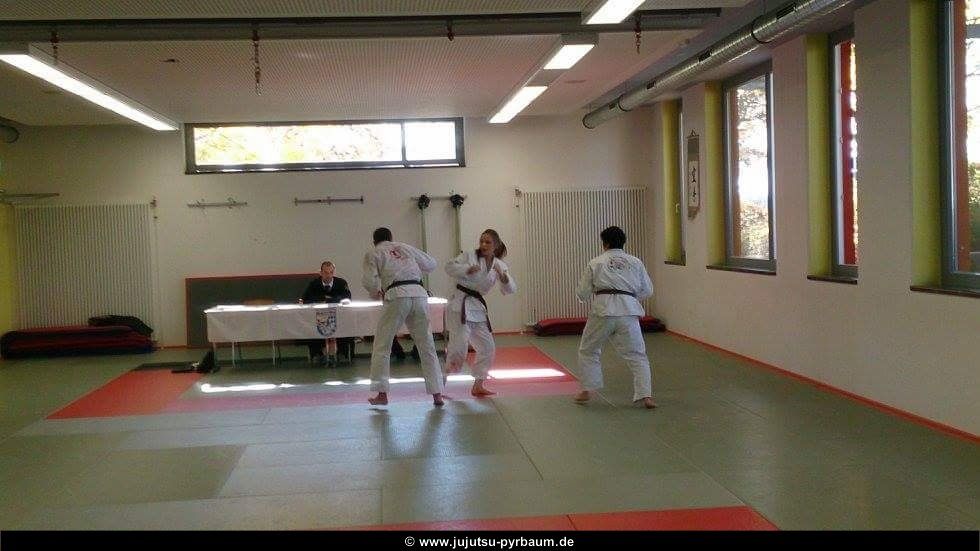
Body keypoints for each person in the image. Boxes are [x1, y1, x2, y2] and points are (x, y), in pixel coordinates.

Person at [573, 226, 656, 409]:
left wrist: (586, 295)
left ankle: (587, 390)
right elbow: (648, 290)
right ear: (623, 242)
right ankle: (646, 396)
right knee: (637, 354)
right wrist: (629, 297)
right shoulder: (635, 262)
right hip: (628, 311)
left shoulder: (596, 262)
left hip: (603, 311)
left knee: (588, 350)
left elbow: (583, 293)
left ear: (605, 244)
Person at [362, 227, 444, 406]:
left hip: (396, 295)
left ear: (374, 241)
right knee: (427, 345)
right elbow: (431, 264)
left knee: (382, 344)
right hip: (419, 293)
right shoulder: (404, 247)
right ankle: (437, 393)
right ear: (391, 238)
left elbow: (369, 281)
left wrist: (376, 291)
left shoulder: (374, 252)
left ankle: (382, 394)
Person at [444, 229, 517, 397]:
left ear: (496, 245)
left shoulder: (499, 265)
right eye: (481, 241)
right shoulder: (469, 256)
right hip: (460, 305)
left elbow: (510, 289)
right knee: (458, 349)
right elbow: (449, 267)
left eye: (488, 242)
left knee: (487, 347)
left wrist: (504, 277)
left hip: (477, 308)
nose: (483, 244)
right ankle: (439, 385)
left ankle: (478, 385)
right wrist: (466, 269)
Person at [299, 261, 351, 366]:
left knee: (346, 326)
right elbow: (305, 299)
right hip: (317, 316)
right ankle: (316, 354)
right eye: (326, 272)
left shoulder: (341, 283)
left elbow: (347, 298)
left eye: (331, 272)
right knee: (312, 327)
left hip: (339, 316)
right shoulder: (314, 284)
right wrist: (327, 298)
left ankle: (343, 353)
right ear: (321, 272)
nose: (329, 275)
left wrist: (327, 300)